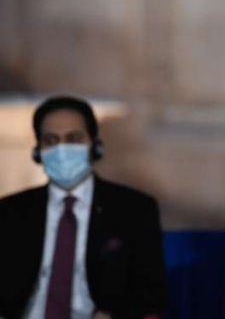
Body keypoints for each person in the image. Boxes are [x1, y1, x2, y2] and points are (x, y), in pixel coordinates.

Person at [0, 95, 166, 319]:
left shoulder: (134, 210)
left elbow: (151, 295)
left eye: (73, 139)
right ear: (37, 152)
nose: (61, 149)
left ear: (95, 147)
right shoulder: (9, 213)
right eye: (51, 140)